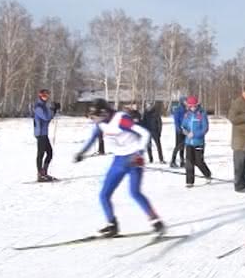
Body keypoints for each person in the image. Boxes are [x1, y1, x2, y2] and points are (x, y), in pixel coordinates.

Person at [74, 98, 165, 237]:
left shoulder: (121, 119)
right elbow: (92, 138)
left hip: (133, 160)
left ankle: (156, 221)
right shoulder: (101, 124)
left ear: (103, 113)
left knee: (134, 193)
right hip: (119, 161)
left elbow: (145, 133)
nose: (94, 120)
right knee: (104, 195)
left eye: (95, 117)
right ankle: (112, 225)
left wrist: (139, 154)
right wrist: (82, 153)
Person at [181, 96, 212, 187]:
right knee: (189, 162)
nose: (193, 108)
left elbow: (205, 128)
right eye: (191, 106)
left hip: (199, 142)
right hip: (188, 142)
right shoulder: (187, 115)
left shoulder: (202, 114)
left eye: (194, 106)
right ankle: (189, 181)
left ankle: (207, 174)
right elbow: (183, 125)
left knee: (199, 161)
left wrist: (195, 134)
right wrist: (185, 131)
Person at [33, 89, 60, 182]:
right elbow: (46, 117)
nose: (46, 97)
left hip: (44, 133)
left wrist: (54, 110)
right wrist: (53, 109)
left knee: (49, 153)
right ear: (40, 96)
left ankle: (44, 173)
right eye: (44, 96)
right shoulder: (38, 106)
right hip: (40, 133)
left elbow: (48, 119)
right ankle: (40, 175)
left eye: (47, 95)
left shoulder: (44, 106)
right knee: (41, 154)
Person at [170, 97, 187, 168]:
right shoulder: (178, 110)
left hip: (186, 131)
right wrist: (179, 129)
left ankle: (182, 161)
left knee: (183, 146)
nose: (186, 102)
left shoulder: (187, 110)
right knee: (178, 146)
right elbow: (176, 121)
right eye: (185, 101)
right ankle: (173, 161)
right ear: (182, 101)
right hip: (179, 131)